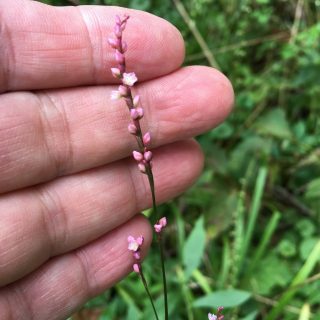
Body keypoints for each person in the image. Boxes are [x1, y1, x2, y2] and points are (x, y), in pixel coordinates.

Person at [0, 0, 234, 318]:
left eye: (126, 83)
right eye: (124, 82)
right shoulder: (127, 94)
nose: (125, 84)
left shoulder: (131, 101)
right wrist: (125, 91)